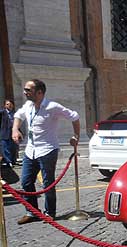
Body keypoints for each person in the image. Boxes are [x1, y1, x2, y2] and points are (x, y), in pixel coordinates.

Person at [12, 79, 80, 224]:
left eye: (28, 90)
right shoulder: (28, 105)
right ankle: (32, 212)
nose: (25, 92)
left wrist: (76, 136)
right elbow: (18, 115)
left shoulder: (52, 107)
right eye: (25, 89)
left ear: (40, 92)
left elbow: (74, 116)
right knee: (26, 182)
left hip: (48, 150)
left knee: (48, 183)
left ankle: (50, 212)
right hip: (30, 151)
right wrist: (15, 129)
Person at [0, 99, 17, 167]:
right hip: (5, 133)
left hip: (13, 132)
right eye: (7, 104)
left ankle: (13, 161)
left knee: (13, 147)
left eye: (10, 104)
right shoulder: (3, 112)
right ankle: (8, 161)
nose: (9, 105)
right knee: (5, 148)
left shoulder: (14, 113)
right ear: (4, 105)